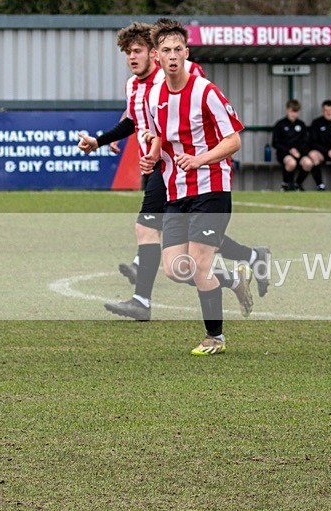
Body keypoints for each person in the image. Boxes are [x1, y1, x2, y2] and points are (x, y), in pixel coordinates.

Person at [77, 22, 268, 322]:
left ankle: (143, 298)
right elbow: (136, 120)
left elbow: (198, 111)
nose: (132, 57)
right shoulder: (134, 87)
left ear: (154, 54)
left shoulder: (181, 78)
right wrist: (104, 141)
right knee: (184, 248)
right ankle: (246, 262)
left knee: (153, 230)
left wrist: (195, 157)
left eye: (137, 51)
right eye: (128, 53)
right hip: (162, 167)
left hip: (184, 169)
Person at [140, 18, 254, 355]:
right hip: (176, 190)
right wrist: (152, 155)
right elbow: (160, 137)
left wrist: (200, 159)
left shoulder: (206, 91)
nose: (173, 56)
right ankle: (232, 280)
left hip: (211, 188)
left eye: (178, 49)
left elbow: (233, 140)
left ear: (186, 53)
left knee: (201, 264)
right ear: (156, 56)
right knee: (175, 269)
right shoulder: (153, 95)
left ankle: (215, 337)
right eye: (166, 50)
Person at [271, 99, 316, 191]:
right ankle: (285, 184)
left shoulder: (301, 125)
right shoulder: (280, 124)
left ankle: (298, 184)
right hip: (284, 153)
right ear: (287, 110)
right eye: (292, 111)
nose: (294, 114)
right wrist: (289, 150)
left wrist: (298, 151)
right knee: (291, 163)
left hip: (299, 153)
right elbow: (275, 143)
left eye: (296, 112)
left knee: (308, 163)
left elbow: (305, 141)